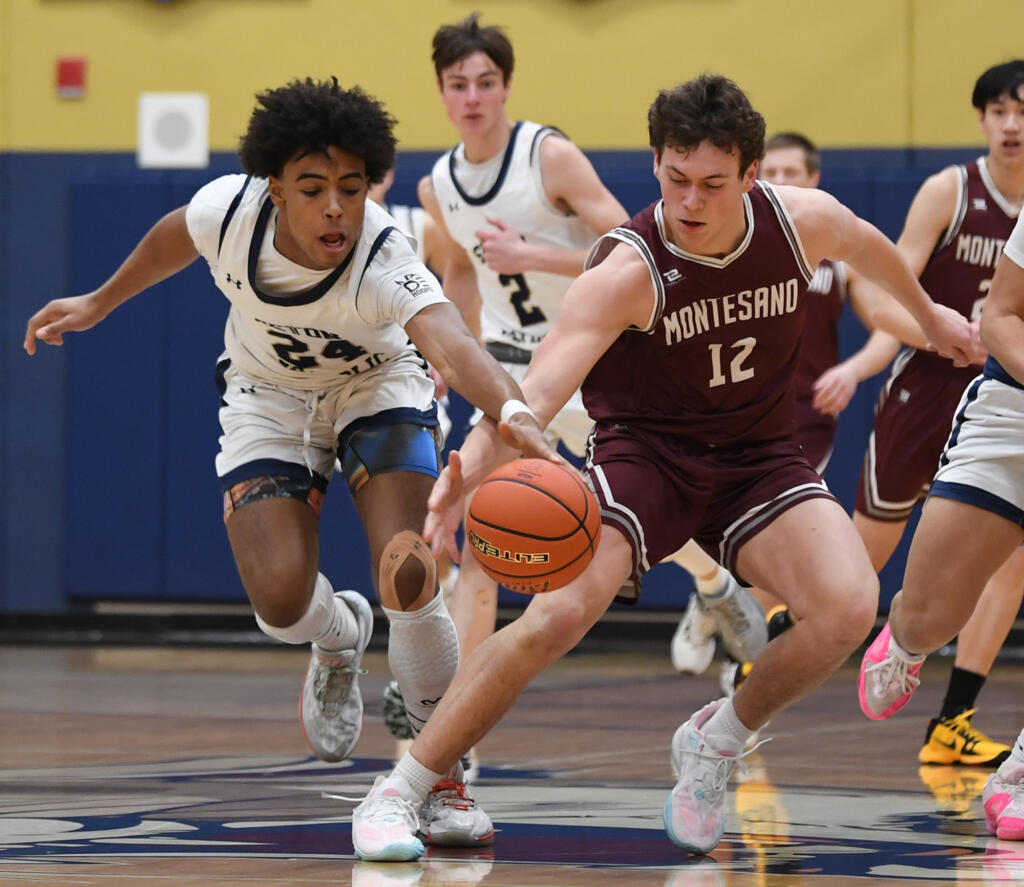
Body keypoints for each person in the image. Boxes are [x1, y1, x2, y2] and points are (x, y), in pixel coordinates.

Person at [349, 73, 976, 861]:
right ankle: (404, 787)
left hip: (758, 457)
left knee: (851, 605)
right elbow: (538, 388)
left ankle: (719, 737)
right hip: (649, 456)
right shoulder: (627, 271)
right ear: (656, 165)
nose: (691, 200)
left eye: (714, 183)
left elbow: (868, 245)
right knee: (556, 615)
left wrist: (931, 317)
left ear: (750, 175)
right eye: (676, 178)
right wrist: (470, 462)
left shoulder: (797, 221)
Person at [23, 77, 559, 858]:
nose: (335, 206)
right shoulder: (228, 212)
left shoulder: (383, 254)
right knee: (278, 602)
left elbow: (449, 341)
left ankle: (441, 778)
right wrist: (100, 301)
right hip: (268, 397)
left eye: (350, 186)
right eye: (313, 189)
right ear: (274, 188)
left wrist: (512, 415)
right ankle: (339, 636)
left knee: (408, 569)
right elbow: (176, 232)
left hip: (378, 389)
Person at [418, 13, 767, 691]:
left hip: (589, 359)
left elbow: (632, 247)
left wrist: (533, 254)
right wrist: (447, 347)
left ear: (506, 86)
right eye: (458, 84)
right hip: (509, 367)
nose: (472, 97)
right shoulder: (438, 184)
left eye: (485, 82)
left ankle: (714, 579)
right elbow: (461, 268)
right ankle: (451, 714)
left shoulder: (547, 156)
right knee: (487, 538)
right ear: (440, 91)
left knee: (643, 515)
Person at [672, 131, 901, 688]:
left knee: (772, 541)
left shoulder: (832, 257)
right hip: (724, 410)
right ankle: (711, 594)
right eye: (772, 170)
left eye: (793, 172)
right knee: (692, 520)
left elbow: (889, 329)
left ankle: (740, 658)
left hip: (801, 420)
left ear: (814, 180)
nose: (783, 180)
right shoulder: (726, 242)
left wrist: (852, 370)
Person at [853, 61, 1024, 766]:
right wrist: (936, 333)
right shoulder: (948, 190)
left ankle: (957, 715)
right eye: (1000, 111)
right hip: (939, 386)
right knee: (874, 565)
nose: (1012, 124)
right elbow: (880, 290)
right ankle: (794, 638)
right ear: (982, 118)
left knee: (1013, 569)